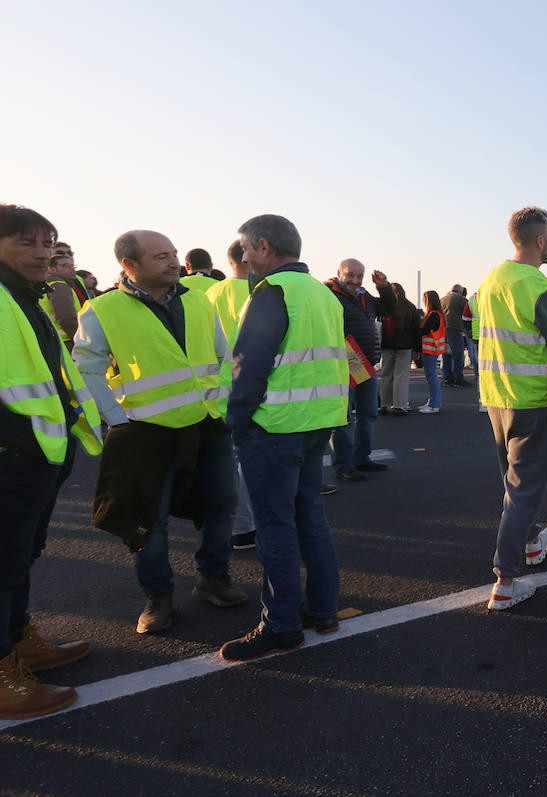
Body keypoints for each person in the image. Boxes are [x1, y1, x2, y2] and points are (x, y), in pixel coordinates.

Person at [74, 230, 246, 634]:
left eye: (173, 254)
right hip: (146, 432)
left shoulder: (198, 300)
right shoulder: (102, 310)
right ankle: (158, 596)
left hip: (208, 424)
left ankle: (212, 577)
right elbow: (86, 368)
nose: (172, 262)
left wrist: (222, 405)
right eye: (160, 256)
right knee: (149, 519)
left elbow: (222, 355)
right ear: (129, 266)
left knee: (222, 503)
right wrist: (116, 419)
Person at [220, 213, 349, 661]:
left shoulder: (271, 292)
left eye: (245, 249)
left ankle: (281, 625)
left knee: (274, 526)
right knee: (310, 516)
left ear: (262, 246)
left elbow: (249, 365)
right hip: (318, 421)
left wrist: (236, 417)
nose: (243, 258)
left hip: (274, 425)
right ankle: (323, 611)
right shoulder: (322, 293)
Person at [0, 205, 102, 720]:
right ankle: (1, 673)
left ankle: (18, 641)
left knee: (20, 557)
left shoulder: (25, 297)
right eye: (25, 242)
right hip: (11, 458)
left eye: (48, 241)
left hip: (38, 456)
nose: (42, 252)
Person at [477, 206, 547, 610]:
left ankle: (532, 541)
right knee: (522, 488)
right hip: (531, 398)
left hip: (495, 395)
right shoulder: (541, 287)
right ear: (539, 240)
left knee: (514, 483)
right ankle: (507, 579)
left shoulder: (491, 278)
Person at [324, 259, 396, 481]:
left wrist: (384, 287)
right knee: (343, 419)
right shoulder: (327, 293)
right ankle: (344, 465)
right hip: (342, 363)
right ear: (339, 273)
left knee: (368, 414)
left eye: (359, 276)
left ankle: (362, 458)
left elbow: (389, 309)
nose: (355, 280)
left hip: (364, 363)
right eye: (350, 275)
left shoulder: (364, 296)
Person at [206, 240, 257, 549]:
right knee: (250, 456)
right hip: (251, 376)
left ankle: (238, 526)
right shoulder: (257, 291)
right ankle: (248, 525)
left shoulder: (210, 293)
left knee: (228, 456)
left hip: (218, 377)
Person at [379, 284, 421, 415]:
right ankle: (399, 405)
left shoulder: (385, 306)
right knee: (401, 376)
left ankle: (384, 404)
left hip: (387, 344)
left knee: (386, 375)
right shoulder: (409, 307)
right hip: (405, 345)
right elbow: (416, 329)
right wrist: (417, 348)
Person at [38, 246, 81, 349]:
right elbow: (66, 318)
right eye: (65, 266)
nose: (71, 269)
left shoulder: (45, 284)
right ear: (51, 269)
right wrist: (79, 340)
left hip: (53, 340)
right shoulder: (59, 285)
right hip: (67, 341)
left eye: (73, 266)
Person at [418, 290, 446, 413]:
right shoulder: (439, 315)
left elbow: (423, 330)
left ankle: (434, 404)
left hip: (430, 349)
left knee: (432, 377)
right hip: (434, 349)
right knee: (432, 377)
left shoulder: (433, 315)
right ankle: (433, 402)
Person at [441, 284, 469, 386]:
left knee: (446, 355)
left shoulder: (442, 299)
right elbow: (468, 313)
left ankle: (447, 378)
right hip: (455, 329)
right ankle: (458, 378)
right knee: (458, 355)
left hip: (443, 330)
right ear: (460, 292)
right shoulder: (461, 300)